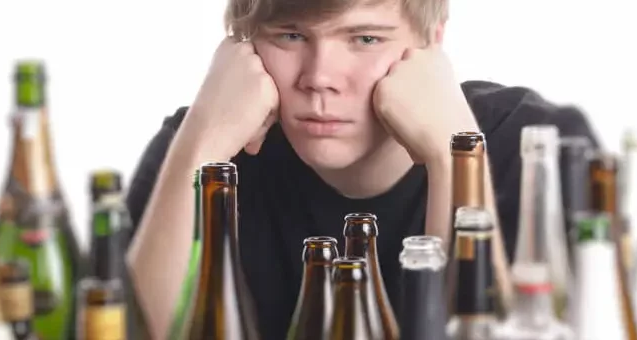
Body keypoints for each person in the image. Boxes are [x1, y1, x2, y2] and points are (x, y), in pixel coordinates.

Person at [124, 0, 601, 338]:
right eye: (290, 34)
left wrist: (451, 153)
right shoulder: (193, 151)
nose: (320, 79)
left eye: (365, 38)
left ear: (432, 40)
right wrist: (202, 141)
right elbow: (128, 332)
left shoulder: (545, 151)